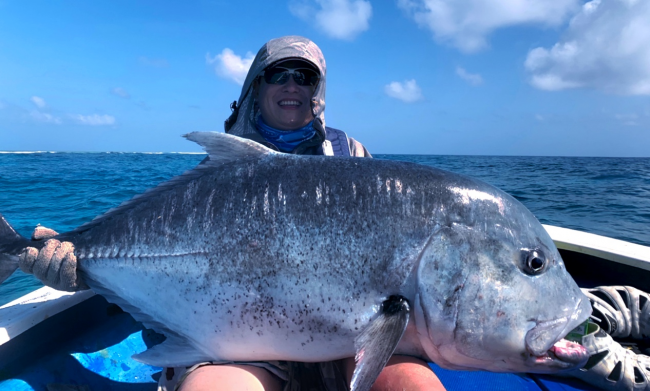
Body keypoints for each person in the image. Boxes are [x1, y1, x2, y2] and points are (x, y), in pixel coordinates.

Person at [18, 36, 445, 391]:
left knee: (414, 385)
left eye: (306, 76)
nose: (292, 85)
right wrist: (79, 266)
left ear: (319, 91)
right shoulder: (221, 174)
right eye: (279, 74)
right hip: (237, 343)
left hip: (348, 340)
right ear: (256, 86)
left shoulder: (353, 160)